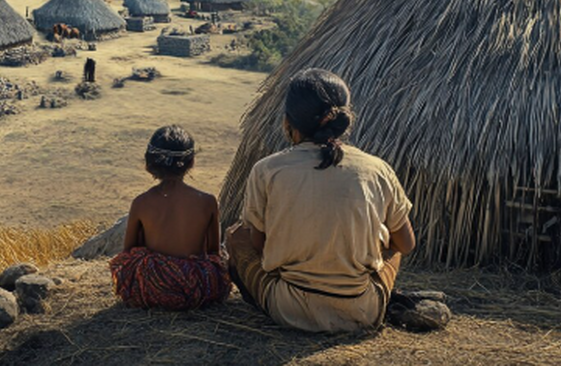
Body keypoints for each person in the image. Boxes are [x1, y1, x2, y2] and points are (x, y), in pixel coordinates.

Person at [226, 68, 415, 333]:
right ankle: (384, 299)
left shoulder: (267, 169)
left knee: (236, 237)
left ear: (287, 122)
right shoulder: (378, 169)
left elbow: (256, 244)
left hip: (288, 310)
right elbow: (406, 244)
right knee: (393, 243)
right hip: (364, 310)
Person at [110, 126, 231, 310]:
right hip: (197, 289)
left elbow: (128, 253)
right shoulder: (207, 201)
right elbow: (213, 252)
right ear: (191, 162)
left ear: (150, 162)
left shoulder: (141, 203)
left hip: (152, 288)